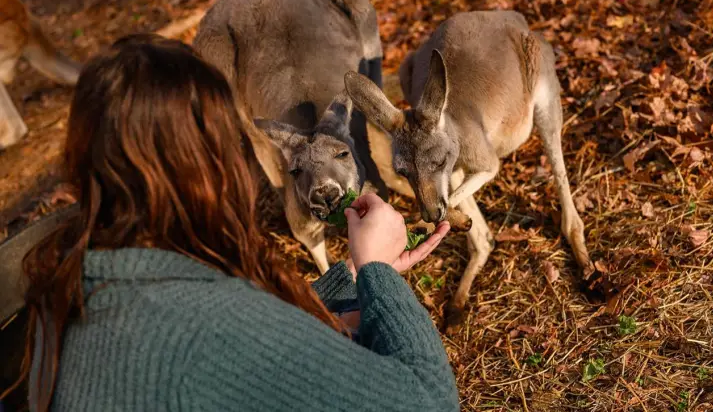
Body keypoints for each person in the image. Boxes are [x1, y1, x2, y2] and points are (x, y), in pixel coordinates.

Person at [1, 34, 459, 411]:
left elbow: (250, 335)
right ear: (210, 165)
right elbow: (429, 401)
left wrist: (355, 280)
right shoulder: (205, 332)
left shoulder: (75, 276)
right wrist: (380, 277)